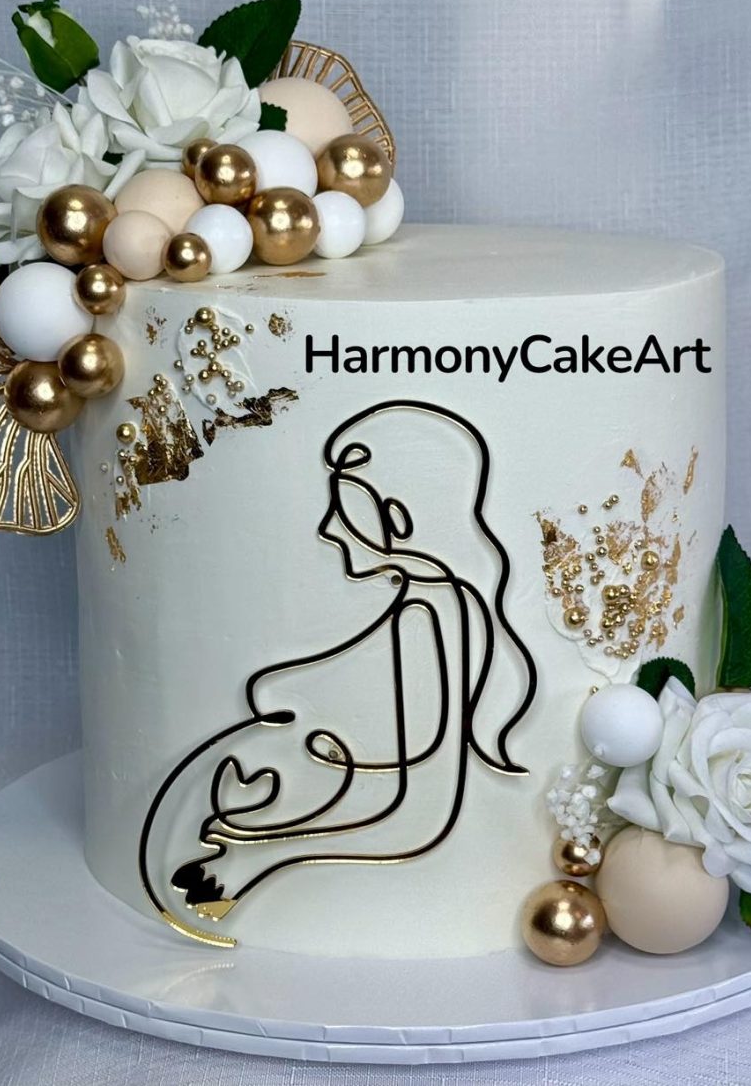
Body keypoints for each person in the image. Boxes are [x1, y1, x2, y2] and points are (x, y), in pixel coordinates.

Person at [139, 400, 537, 946]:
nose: (328, 528)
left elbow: (417, 789)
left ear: (398, 517)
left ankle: (223, 884)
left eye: (345, 506)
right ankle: (224, 882)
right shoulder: (438, 603)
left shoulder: (431, 608)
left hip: (370, 803)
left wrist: (263, 849)